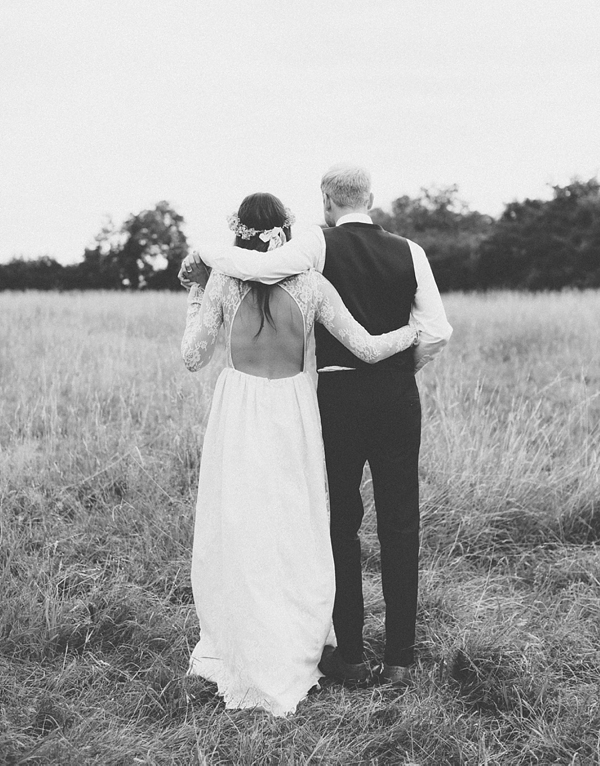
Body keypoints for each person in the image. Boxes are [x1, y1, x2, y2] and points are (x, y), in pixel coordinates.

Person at [181, 166, 452, 689]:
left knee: (320, 525)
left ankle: (345, 652)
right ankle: (396, 657)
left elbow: (211, 331)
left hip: (299, 404)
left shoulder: (302, 251)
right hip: (362, 401)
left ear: (327, 199)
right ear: (370, 197)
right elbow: (420, 335)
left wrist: (198, 279)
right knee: (386, 523)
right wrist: (408, 347)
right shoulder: (397, 255)